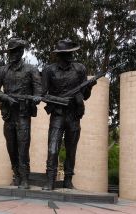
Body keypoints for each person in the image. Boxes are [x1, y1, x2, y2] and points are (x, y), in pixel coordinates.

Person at [41, 39, 97, 190]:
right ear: (59, 55)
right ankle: (50, 180)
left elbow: (84, 96)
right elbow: (42, 95)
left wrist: (89, 88)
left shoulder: (80, 69)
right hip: (57, 115)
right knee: (53, 148)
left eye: (71, 52)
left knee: (71, 149)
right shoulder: (49, 70)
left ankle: (68, 180)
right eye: (67, 53)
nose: (70, 55)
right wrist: (59, 100)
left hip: (74, 115)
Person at [0, 38, 42, 189]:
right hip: (8, 115)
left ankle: (25, 178)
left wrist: (37, 98)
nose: (12, 55)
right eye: (10, 52)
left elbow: (38, 90)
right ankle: (17, 175)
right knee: (11, 147)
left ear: (21, 52)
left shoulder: (31, 70)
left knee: (23, 146)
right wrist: (6, 98)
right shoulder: (3, 70)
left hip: (23, 114)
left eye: (15, 51)